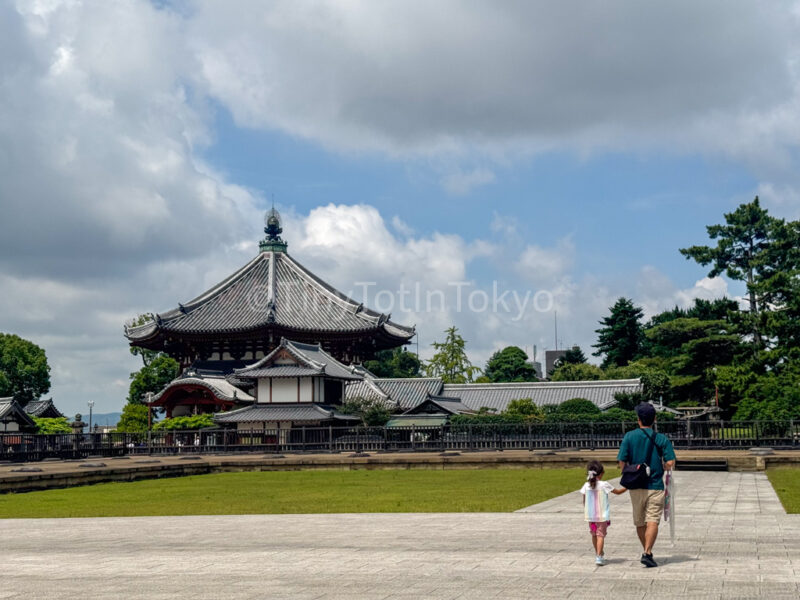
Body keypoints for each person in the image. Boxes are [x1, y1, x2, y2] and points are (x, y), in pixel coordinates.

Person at [617, 402, 676, 568]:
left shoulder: (629, 436)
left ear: (638, 420)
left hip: (635, 486)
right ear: (654, 419)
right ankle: (647, 552)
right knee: (653, 520)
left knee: (640, 521)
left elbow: (622, 460)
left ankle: (647, 551)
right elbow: (670, 462)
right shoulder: (661, 438)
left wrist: (628, 474)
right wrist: (663, 466)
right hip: (655, 484)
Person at [580, 460, 627, 566]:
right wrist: (627, 487)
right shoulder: (604, 484)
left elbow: (584, 499)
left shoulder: (586, 485)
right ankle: (599, 556)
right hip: (602, 515)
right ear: (601, 474)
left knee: (594, 534)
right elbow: (618, 492)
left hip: (590, 515)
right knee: (600, 535)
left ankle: (598, 552)